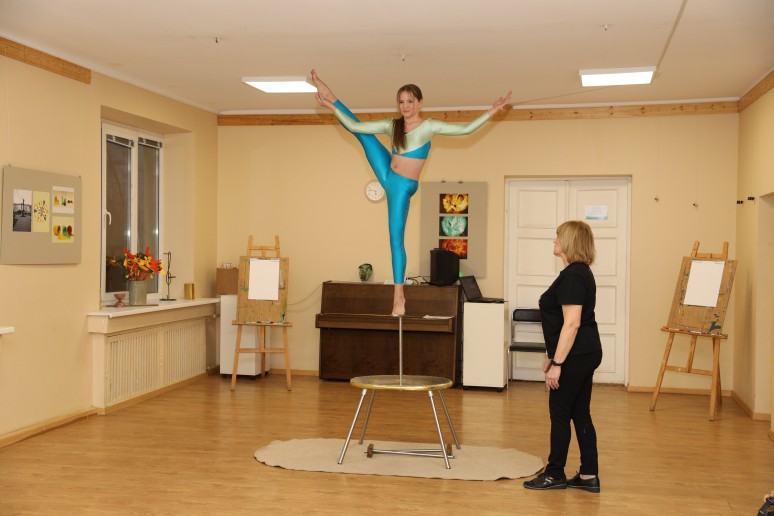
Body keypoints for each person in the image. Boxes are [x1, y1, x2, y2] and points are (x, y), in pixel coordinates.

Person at [311, 69, 511, 316]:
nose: (405, 106)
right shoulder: (392, 125)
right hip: (387, 172)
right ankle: (329, 91)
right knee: (361, 134)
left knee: (395, 238)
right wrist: (329, 103)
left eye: (410, 101)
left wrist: (493, 110)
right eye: (401, 102)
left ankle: (399, 297)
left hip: (401, 187)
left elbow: (465, 130)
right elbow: (353, 124)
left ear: (420, 103)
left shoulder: (429, 127)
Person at [523, 220, 603, 493]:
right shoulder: (579, 273)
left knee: (559, 413)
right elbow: (563, 324)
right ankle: (588, 475)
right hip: (584, 351)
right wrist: (552, 355)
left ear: (569, 242)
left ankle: (554, 473)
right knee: (580, 413)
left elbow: (571, 324)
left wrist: (557, 364)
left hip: (576, 354)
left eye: (558, 237)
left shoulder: (573, 276)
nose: (554, 241)